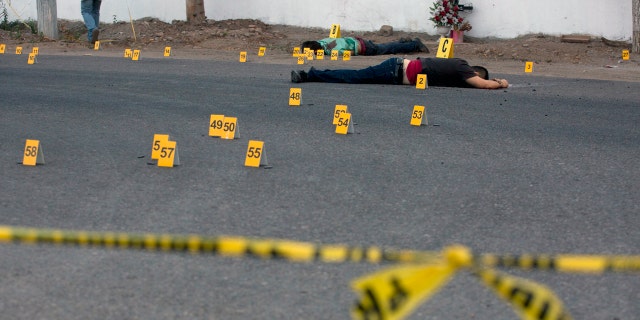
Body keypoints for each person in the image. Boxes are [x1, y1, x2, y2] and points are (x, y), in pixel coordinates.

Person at [290, 57, 509, 89]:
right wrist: (502, 83)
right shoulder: (464, 68)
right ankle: (310, 74)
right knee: (352, 77)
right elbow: (484, 85)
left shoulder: (459, 68)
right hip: (394, 71)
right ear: (477, 72)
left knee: (354, 76)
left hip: (395, 70)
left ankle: (312, 74)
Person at [301, 37, 429, 56]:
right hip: (357, 40)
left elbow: (348, 53)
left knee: (389, 49)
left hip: (363, 48)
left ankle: (414, 44)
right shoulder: (323, 41)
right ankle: (403, 42)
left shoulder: (331, 50)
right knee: (386, 46)